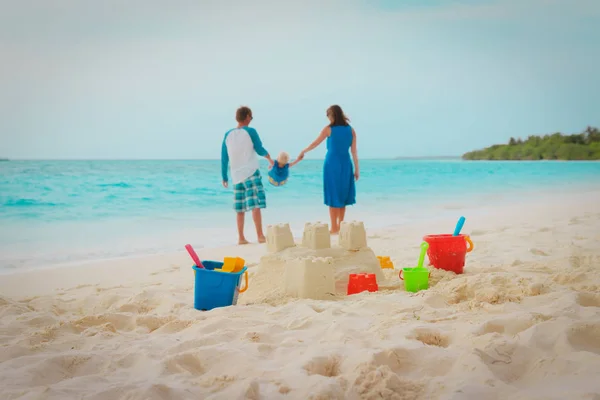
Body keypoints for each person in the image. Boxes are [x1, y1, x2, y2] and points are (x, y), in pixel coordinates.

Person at [297, 105, 359, 234]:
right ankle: (340, 225)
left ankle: (334, 227)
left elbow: (315, 143)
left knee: (333, 194)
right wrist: (357, 169)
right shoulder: (351, 130)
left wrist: (304, 151)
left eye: (328, 116)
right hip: (346, 164)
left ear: (332, 116)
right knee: (342, 195)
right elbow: (354, 152)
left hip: (332, 164)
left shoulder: (329, 129)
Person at [221, 106, 274, 245]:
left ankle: (241, 238)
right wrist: (270, 159)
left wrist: (224, 176)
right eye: (251, 116)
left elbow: (224, 157)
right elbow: (259, 148)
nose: (251, 119)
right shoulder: (251, 131)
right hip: (250, 172)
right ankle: (260, 236)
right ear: (247, 117)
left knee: (240, 208)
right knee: (255, 204)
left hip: (236, 176)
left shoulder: (228, 134)